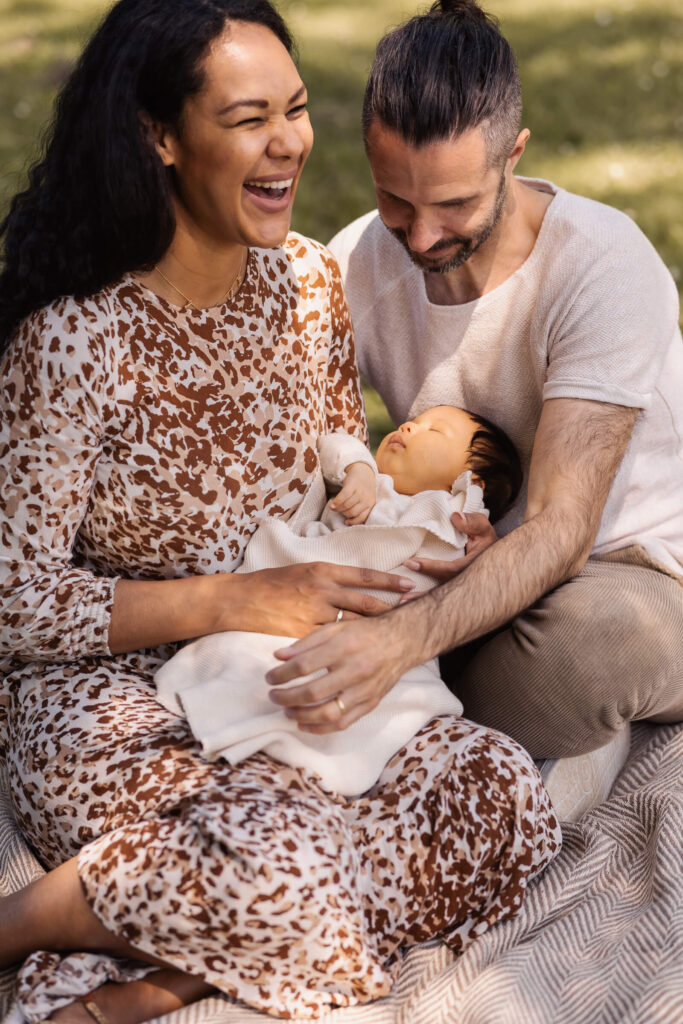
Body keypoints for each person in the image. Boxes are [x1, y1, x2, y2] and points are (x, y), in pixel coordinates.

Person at [0, 2, 561, 1022]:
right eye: (248, 117)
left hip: (288, 676)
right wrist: (234, 599)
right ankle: (37, 927)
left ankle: (174, 953)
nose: (287, 144)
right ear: (158, 136)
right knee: (289, 863)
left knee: (506, 799)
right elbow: (16, 603)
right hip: (119, 701)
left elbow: (351, 488)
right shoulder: (74, 340)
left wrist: (413, 540)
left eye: (295, 111)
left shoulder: (308, 285)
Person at [268, 0, 683, 760]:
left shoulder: (601, 266)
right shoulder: (357, 258)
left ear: (513, 154)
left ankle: (504, 724)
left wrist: (398, 641)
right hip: (453, 564)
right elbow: (286, 435)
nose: (420, 237)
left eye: (454, 204)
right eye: (395, 198)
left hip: (622, 564)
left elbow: (562, 530)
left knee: (578, 663)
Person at [154, 406, 522, 796]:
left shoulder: (458, 516)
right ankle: (255, 738)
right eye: (417, 419)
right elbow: (334, 444)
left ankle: (320, 759)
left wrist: (485, 544)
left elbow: (495, 576)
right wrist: (359, 471)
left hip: (385, 641)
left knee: (395, 699)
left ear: (470, 481)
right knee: (258, 660)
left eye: (436, 430)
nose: (411, 424)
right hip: (298, 602)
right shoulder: (368, 484)